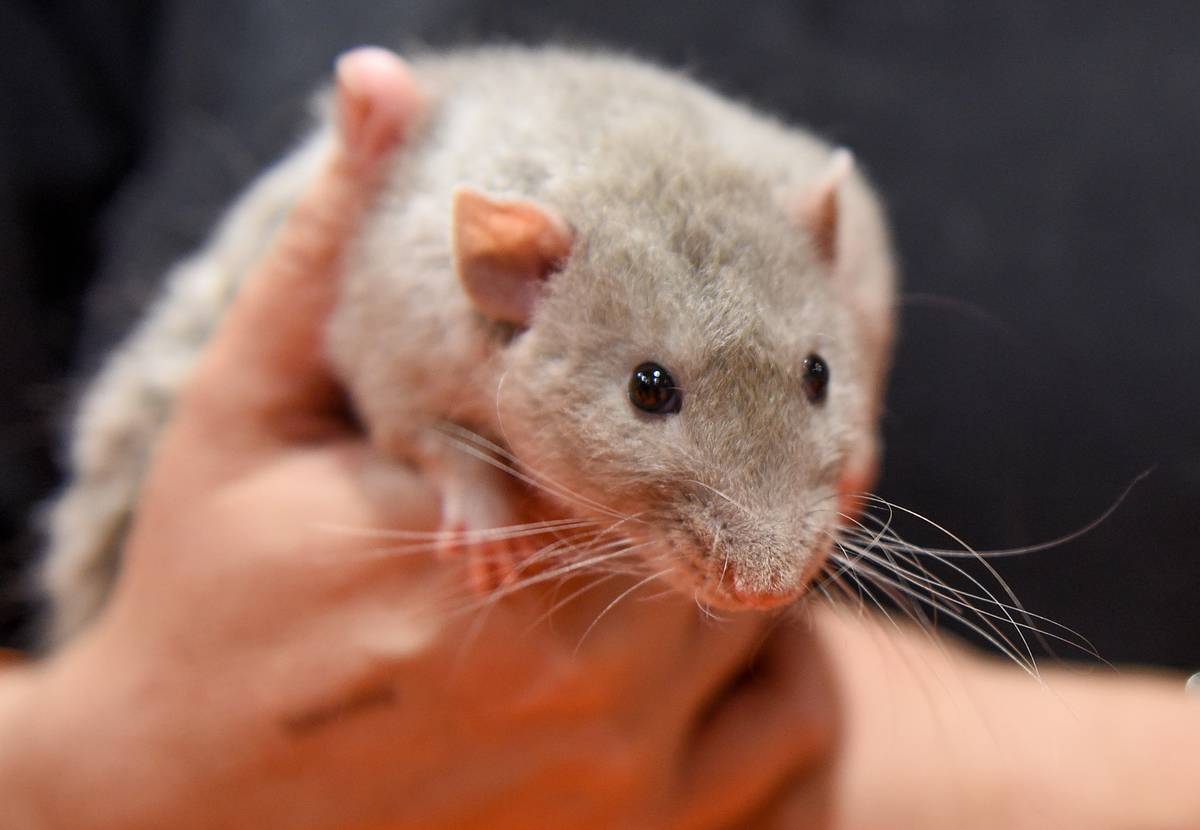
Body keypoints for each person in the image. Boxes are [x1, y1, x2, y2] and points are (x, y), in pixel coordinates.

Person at [0, 49, 1196, 830]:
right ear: (509, 273)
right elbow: (384, 350)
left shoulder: (818, 218)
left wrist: (854, 760)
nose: (769, 560)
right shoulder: (452, 258)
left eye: (815, 375)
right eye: (653, 391)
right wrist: (86, 768)